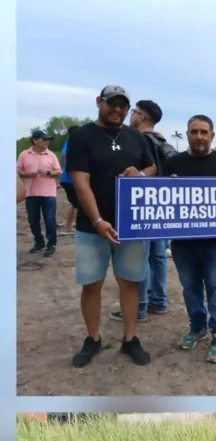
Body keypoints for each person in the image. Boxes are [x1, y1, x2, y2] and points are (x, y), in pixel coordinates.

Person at [66, 85, 157, 368]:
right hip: (92, 226)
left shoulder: (135, 137)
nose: (117, 110)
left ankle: (130, 339)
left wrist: (139, 173)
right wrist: (98, 220)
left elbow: (151, 168)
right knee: (91, 284)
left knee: (130, 282)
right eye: (112, 104)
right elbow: (81, 182)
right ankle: (93, 338)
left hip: (131, 226)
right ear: (99, 102)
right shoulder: (82, 136)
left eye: (123, 106)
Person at [163, 115, 216, 363]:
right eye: (194, 131)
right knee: (190, 288)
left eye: (204, 132)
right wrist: (166, 187)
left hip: (214, 242)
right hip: (182, 242)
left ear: (212, 136)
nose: (199, 136)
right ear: (187, 134)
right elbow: (161, 200)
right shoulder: (173, 163)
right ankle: (197, 327)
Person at [109, 100, 176, 324]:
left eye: (134, 111)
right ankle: (159, 301)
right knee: (158, 256)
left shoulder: (136, 140)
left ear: (141, 116)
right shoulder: (162, 140)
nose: (131, 115)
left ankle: (139, 308)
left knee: (141, 256)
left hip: (144, 207)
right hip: (164, 207)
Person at [16, 130, 62, 258]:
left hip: (48, 193)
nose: (47, 142)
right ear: (35, 140)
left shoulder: (51, 155)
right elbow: (18, 171)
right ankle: (39, 242)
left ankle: (51, 244)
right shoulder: (24, 155)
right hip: (30, 193)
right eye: (44, 139)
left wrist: (48, 173)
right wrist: (27, 174)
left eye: (48, 139)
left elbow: (58, 172)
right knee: (33, 220)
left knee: (50, 219)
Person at [59, 125, 80, 235]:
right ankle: (77, 227)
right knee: (78, 204)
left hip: (72, 180)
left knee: (75, 204)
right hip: (68, 180)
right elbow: (66, 158)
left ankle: (68, 225)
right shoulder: (69, 144)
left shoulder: (75, 144)